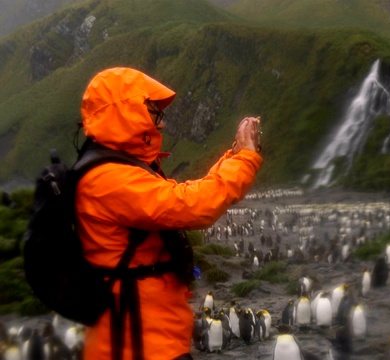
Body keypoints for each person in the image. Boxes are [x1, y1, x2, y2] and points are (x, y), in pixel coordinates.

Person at [75, 67, 262, 360]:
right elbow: (190, 205)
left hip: (150, 333)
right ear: (125, 113)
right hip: (136, 341)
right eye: (152, 113)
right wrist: (246, 160)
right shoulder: (109, 179)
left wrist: (235, 155)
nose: (160, 125)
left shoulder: (119, 169)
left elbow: (182, 194)